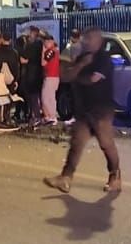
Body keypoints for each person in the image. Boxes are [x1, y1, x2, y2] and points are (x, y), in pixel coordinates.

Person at [43, 27, 121, 194]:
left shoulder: (103, 60)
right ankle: (65, 178)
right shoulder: (82, 58)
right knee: (76, 143)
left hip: (101, 110)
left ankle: (115, 176)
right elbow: (65, 76)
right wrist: (79, 67)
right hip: (84, 110)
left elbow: (91, 79)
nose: (85, 41)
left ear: (98, 41)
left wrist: (77, 75)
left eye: (89, 38)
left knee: (106, 144)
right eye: (85, 38)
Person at [39, 35, 62, 125]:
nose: (44, 44)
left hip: (50, 77)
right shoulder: (56, 50)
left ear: (50, 42)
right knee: (51, 98)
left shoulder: (51, 51)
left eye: (45, 42)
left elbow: (43, 63)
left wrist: (43, 52)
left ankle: (50, 117)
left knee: (45, 98)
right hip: (54, 77)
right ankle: (51, 117)